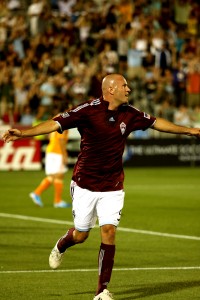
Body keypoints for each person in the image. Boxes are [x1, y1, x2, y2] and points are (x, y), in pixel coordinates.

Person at [2, 74, 200, 300]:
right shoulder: (87, 110)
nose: (129, 89)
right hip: (85, 184)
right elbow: (55, 122)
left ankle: (101, 290)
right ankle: (61, 245)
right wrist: (24, 133)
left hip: (113, 185)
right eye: (124, 85)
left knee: (109, 231)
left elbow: (156, 123)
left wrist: (189, 130)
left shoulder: (130, 113)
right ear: (111, 90)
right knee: (81, 235)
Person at [30, 106, 71, 208]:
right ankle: (54, 200)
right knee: (57, 175)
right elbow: (61, 140)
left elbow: (49, 135)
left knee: (56, 176)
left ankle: (40, 195)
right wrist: (64, 154)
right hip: (56, 152)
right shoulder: (64, 120)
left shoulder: (56, 119)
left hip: (52, 151)